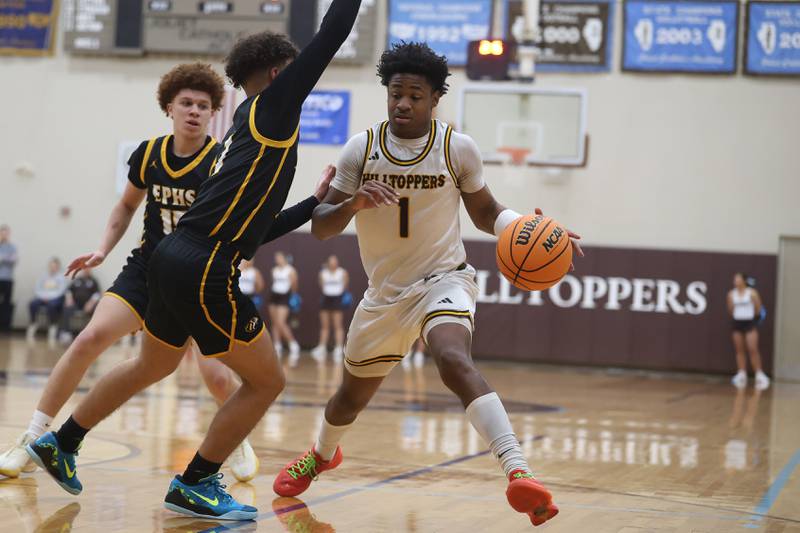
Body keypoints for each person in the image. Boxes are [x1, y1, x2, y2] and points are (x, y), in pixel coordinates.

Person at [27, 1, 361, 522]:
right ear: (280, 74)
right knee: (267, 382)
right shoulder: (274, 107)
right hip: (205, 265)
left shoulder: (243, 128)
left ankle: (61, 442)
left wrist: (314, 203)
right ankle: (196, 481)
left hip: (173, 254)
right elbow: (334, 29)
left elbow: (257, 231)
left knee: (154, 363)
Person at [272, 42, 582, 528]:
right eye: (395, 93)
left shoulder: (456, 148)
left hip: (444, 278)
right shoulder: (361, 148)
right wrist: (353, 204)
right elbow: (322, 227)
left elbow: (485, 212)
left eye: (415, 96)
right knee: (348, 400)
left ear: (435, 99)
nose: (403, 104)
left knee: (453, 358)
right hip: (384, 295)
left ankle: (518, 470)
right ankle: (322, 455)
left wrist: (529, 227)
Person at [728, 272, 769, 390]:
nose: (736, 281)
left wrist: (751, 319)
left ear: (744, 280)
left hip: (750, 323)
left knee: (752, 349)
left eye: (738, 279)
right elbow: (730, 309)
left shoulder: (752, 293)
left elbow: (758, 309)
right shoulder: (731, 294)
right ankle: (741, 374)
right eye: (735, 279)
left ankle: (759, 375)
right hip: (737, 323)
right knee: (739, 349)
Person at [311, 255, 349, 363]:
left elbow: (345, 285)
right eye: (331, 261)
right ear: (328, 263)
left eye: (335, 261)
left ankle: (338, 348)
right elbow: (321, 285)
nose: (333, 263)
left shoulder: (342, 272)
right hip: (326, 299)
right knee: (325, 325)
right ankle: (322, 347)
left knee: (337, 325)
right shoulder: (323, 273)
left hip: (337, 299)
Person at [26, 257, 68, 343]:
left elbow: (61, 291)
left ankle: (53, 326)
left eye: (55, 266)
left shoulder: (61, 277)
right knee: (33, 304)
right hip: (42, 297)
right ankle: (33, 323)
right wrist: (43, 296)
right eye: (51, 266)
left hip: (55, 298)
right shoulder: (43, 276)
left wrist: (49, 297)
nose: (53, 268)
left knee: (52, 306)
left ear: (58, 267)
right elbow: (37, 288)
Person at [269, 251, 300, 364]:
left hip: (285, 297)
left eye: (279, 257)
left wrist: (293, 296)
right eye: (276, 258)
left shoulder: (291, 270)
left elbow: (294, 284)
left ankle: (293, 344)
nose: (277, 260)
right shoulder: (274, 270)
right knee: (274, 322)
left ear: (284, 258)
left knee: (281, 322)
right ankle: (277, 345)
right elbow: (274, 282)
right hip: (274, 296)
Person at [58, 268, 101, 344]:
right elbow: (68, 290)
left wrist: (91, 303)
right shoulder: (77, 280)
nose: (86, 270)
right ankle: (66, 333)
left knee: (96, 310)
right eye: (85, 269)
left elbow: (97, 294)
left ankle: (92, 334)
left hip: (88, 304)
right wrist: (69, 298)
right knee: (67, 308)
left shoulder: (93, 281)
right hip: (76, 303)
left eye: (88, 269)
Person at [0, 224, 17, 331]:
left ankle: (4, 326)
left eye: (6, 234)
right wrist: (5, 258)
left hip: (7, 279)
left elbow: (13, 260)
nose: (4, 235)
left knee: (6, 303)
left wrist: (2, 258)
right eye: (2, 233)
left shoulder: (12, 247)